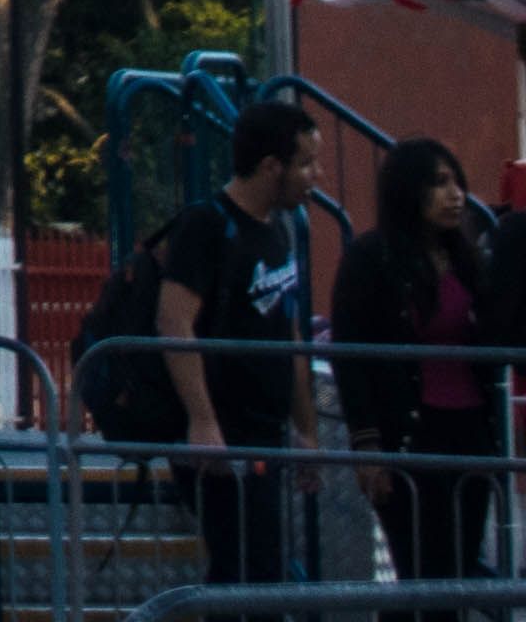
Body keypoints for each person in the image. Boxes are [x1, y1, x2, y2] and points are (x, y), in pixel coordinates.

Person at [141, 96, 324, 589]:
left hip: (264, 433)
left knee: (257, 570)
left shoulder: (278, 230)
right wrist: (203, 420)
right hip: (222, 433)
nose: (316, 176)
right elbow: (173, 320)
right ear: (271, 166)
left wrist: (305, 429)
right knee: (244, 568)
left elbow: (290, 335)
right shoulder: (206, 225)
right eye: (305, 163)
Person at [338, 130, 508, 586]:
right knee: (418, 572)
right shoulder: (372, 257)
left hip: (471, 432)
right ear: (408, 191)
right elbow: (349, 354)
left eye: (457, 183)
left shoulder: (468, 259)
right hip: (410, 434)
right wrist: (367, 444)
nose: (456, 196)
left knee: (457, 569)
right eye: (439, 183)